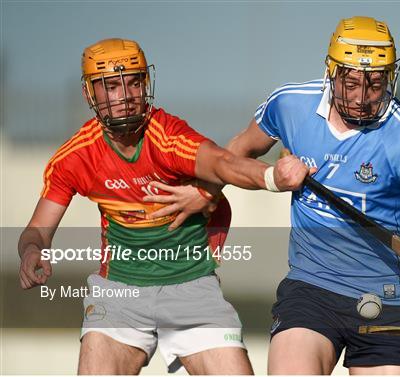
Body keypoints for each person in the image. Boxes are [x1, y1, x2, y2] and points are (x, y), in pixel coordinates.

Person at [147, 16, 400, 375]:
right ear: (331, 72)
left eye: (375, 84)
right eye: (351, 83)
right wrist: (206, 191)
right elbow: (239, 149)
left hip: (390, 300)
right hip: (312, 289)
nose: (362, 97)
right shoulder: (290, 104)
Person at [17, 38, 310, 375]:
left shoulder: (166, 134)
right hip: (119, 294)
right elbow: (37, 230)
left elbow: (223, 163)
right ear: (90, 95)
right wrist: (31, 251)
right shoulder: (75, 157)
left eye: (134, 83)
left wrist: (274, 176)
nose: (125, 97)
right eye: (111, 86)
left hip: (192, 289)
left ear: (146, 85)